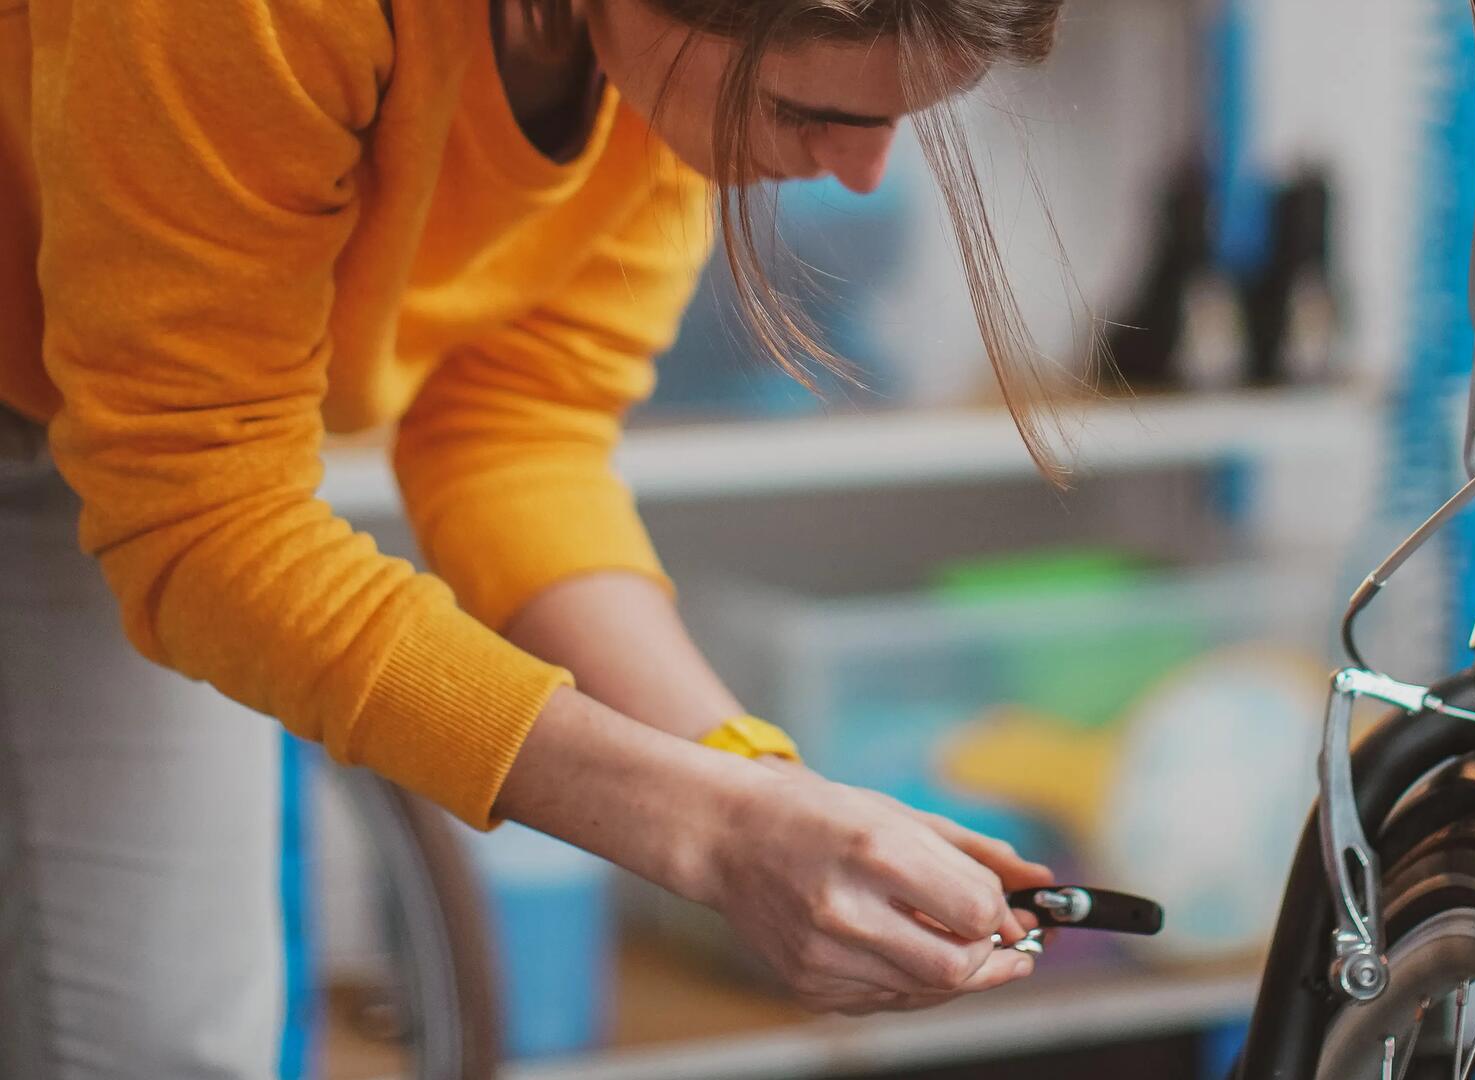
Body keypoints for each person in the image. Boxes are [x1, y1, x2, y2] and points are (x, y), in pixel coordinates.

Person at [0, 0, 1076, 1074]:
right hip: (100, 421)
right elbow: (203, 513)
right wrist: (705, 831)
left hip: (96, 417)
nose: (860, 176)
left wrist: (753, 780)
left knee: (164, 1041)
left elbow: (516, 431)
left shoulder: (656, 67)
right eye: (810, 110)